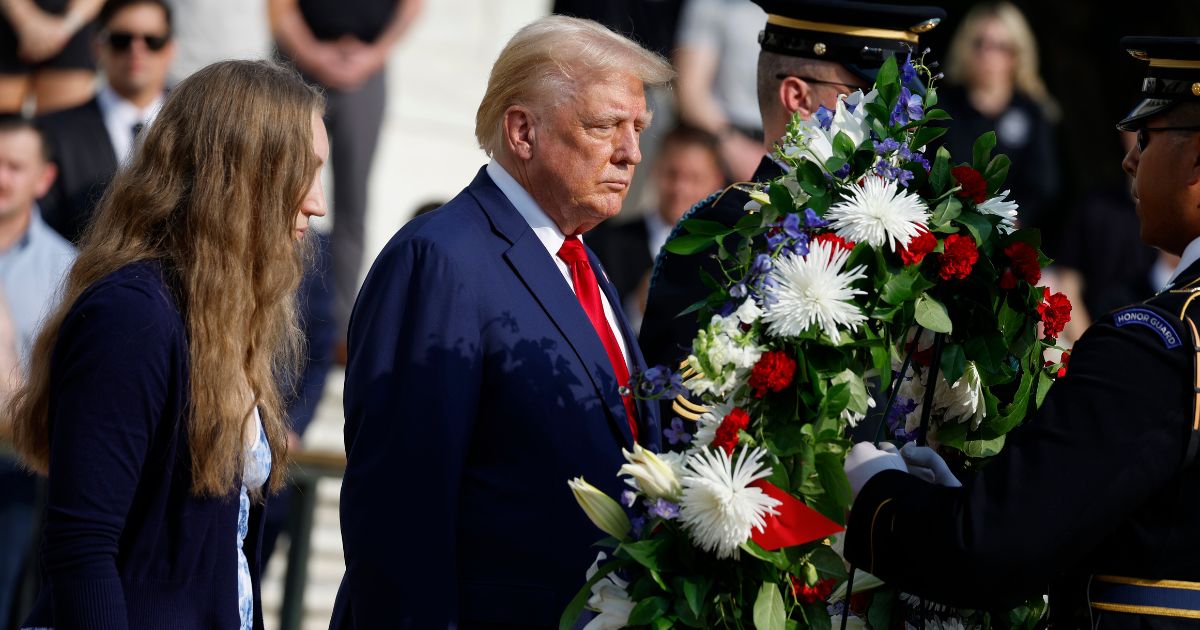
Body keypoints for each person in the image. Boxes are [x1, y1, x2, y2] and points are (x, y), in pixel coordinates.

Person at [842, 36, 1200, 627]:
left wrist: (881, 495)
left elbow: (991, 550)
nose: (1129, 160)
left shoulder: (1155, 345)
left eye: (1147, 137)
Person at [330, 15, 670, 629]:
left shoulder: (584, 262)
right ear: (522, 131)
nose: (631, 152)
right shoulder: (440, 258)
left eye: (638, 128)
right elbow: (401, 511)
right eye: (604, 126)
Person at [5, 59, 327, 630]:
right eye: (303, 172)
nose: (316, 203)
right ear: (243, 174)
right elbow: (82, 548)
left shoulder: (217, 313)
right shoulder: (132, 315)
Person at [639, 0, 946, 376]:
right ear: (798, 99)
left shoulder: (903, 223)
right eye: (871, 95)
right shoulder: (729, 229)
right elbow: (688, 408)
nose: (895, 118)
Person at [269, 0, 424, 361]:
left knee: (353, 204)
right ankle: (272, 306)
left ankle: (339, 329)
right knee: (280, 192)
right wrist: (312, 53)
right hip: (298, 65)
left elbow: (412, 7)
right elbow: (279, 8)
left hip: (365, 70)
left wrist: (374, 55)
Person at [0, 114, 74, 630]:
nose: (0, 177)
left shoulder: (66, 270)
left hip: (13, 480)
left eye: (13, 166)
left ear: (43, 179)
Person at [37, 0, 174, 244]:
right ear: (98, 47)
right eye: (121, 40)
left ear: (171, 49)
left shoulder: (195, 126)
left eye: (152, 41)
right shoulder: (53, 132)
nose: (136, 50)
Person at [585, 123, 727, 325]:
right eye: (672, 174)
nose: (680, 189)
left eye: (694, 178)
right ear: (655, 171)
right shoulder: (605, 243)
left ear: (717, 182)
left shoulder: (730, 250)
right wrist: (636, 307)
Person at [937, 1, 1060, 235]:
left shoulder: (1033, 111)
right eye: (980, 43)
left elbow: (1044, 186)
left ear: (1017, 54)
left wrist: (1007, 226)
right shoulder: (944, 107)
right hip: (949, 231)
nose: (987, 55)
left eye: (1000, 46)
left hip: (1012, 236)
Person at [673, 0, 767, 182]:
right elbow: (690, 94)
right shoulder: (712, 5)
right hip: (723, 143)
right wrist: (732, 145)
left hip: (794, 143)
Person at [0, 0, 103, 114]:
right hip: (7, 21)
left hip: (75, 28)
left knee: (64, 123)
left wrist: (65, 27)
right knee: (7, 123)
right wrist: (24, 20)